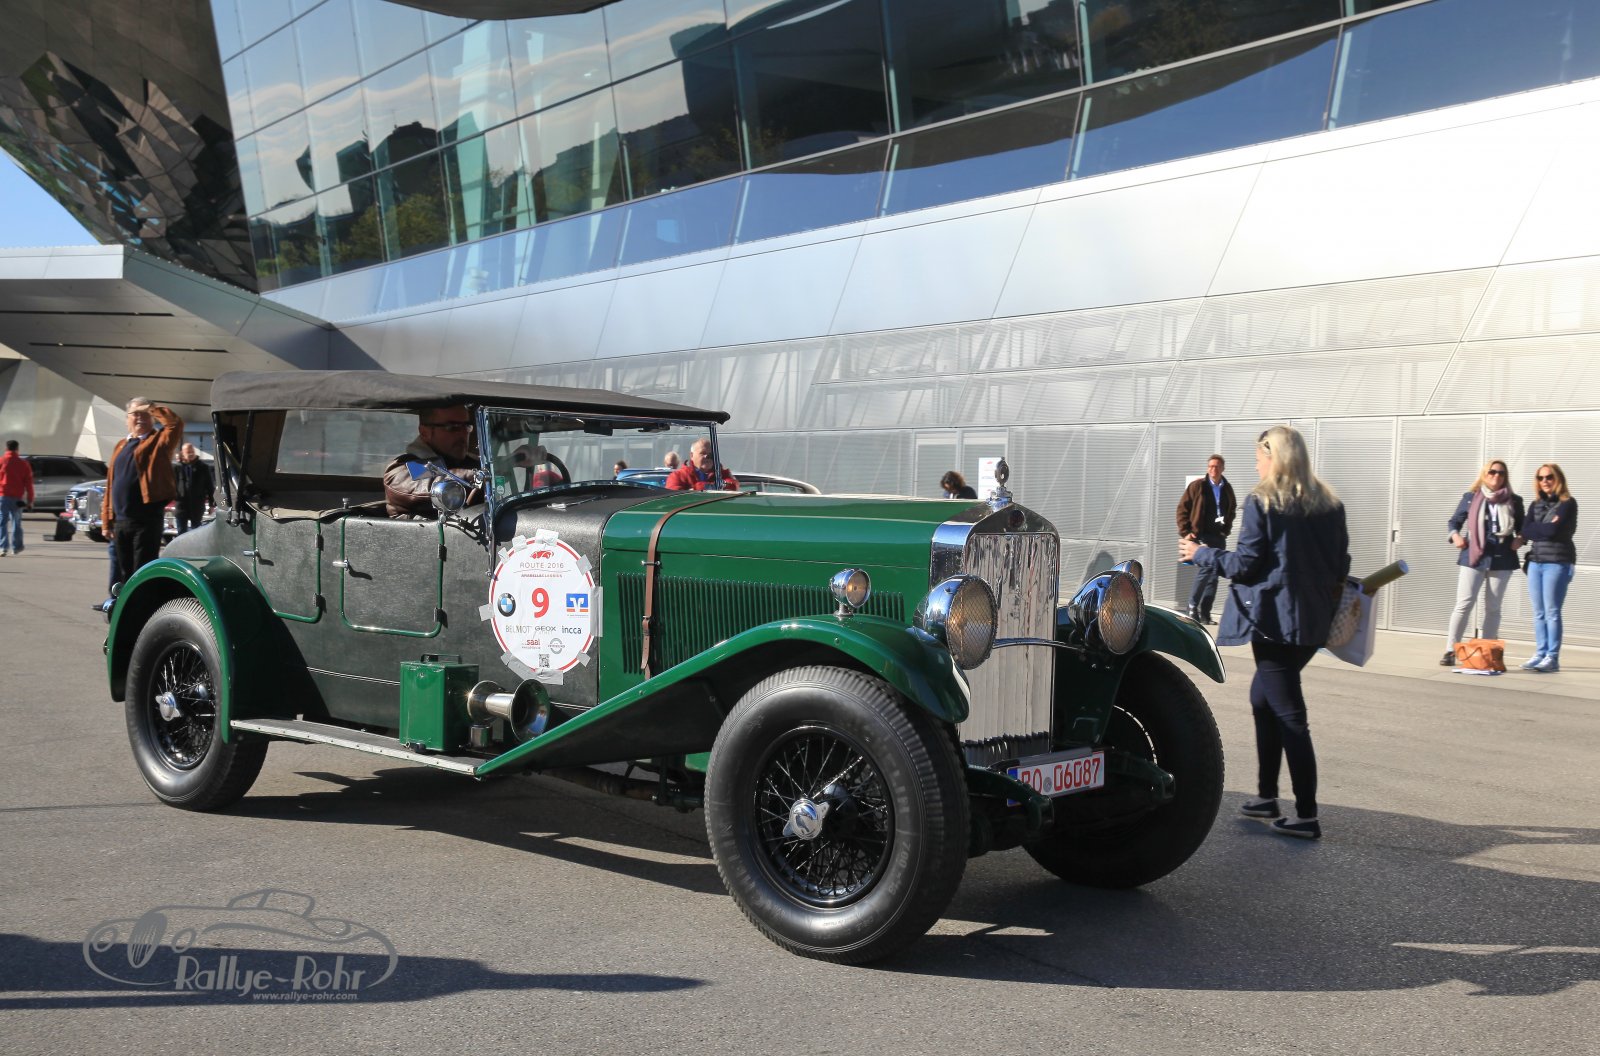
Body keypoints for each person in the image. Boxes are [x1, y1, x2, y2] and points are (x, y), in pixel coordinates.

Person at [1179, 426, 1348, 840]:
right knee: (1263, 699)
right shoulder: (1329, 504)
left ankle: (1305, 815)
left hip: (1273, 621)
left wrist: (1201, 554)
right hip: (1313, 622)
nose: (1256, 466)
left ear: (1275, 458)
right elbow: (1340, 563)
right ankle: (1267, 796)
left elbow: (1246, 565)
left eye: (1259, 458)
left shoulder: (1264, 501)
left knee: (1290, 716)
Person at [1441, 459, 1525, 667]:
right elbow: (1454, 521)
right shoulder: (1471, 498)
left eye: (1501, 473)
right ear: (1484, 474)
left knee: (1493, 608)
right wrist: (1455, 536)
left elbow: (1522, 528)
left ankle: (1487, 653)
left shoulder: (1514, 500)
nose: (1496, 476)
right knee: (1464, 604)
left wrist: (1520, 539)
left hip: (1502, 558)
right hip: (1473, 557)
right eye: (1492, 472)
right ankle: (1450, 650)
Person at [102, 398, 183, 581]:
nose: (140, 418)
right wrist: (106, 521)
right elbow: (111, 485)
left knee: (142, 572)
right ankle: (120, 598)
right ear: (127, 419)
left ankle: (143, 600)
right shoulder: (121, 445)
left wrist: (153, 408)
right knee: (122, 573)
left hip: (146, 519)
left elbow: (174, 425)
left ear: (152, 417)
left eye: (145, 414)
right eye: (135, 414)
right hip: (121, 521)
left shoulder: (159, 442)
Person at [1519, 463, 1577, 673]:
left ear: (1558, 478)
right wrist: (1540, 528)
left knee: (1552, 611)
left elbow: (1552, 531)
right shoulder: (1535, 505)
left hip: (1557, 562)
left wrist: (1538, 529)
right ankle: (1540, 653)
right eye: (1540, 478)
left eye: (1549, 477)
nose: (1545, 481)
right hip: (1535, 562)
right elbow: (1525, 530)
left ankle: (1552, 657)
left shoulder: (1567, 503)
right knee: (1538, 612)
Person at [384, 406, 481, 517]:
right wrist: (475, 477)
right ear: (425, 432)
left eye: (466, 426)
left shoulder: (473, 462)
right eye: (452, 427)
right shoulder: (405, 467)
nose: (463, 433)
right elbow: (423, 483)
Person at [1176, 454, 1237, 624]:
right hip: (1201, 535)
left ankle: (1205, 613)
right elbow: (1182, 509)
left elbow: (1232, 509)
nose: (1213, 469)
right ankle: (1192, 607)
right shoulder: (1198, 486)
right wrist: (1186, 532)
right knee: (1206, 570)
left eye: (1216, 466)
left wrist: (1226, 530)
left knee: (1214, 574)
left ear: (1222, 468)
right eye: (1210, 466)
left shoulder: (1227, 488)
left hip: (1218, 535)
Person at [0, 439, 34, 556]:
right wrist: (30, 500)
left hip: (3, 496)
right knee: (16, 522)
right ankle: (16, 547)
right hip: (17, 498)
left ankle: (3, 547)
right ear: (17, 449)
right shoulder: (23, 464)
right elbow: (29, 484)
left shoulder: (1, 461)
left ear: (6, 448)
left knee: (2, 522)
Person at [664, 438, 737, 492]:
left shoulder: (720, 472)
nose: (707, 456)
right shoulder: (678, 476)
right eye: (703, 453)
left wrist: (722, 484)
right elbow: (674, 498)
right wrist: (704, 487)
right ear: (692, 455)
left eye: (710, 454)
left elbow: (734, 484)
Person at [172, 443, 214, 535]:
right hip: (181, 505)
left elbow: (210, 486)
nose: (190, 454)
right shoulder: (177, 467)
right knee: (181, 532)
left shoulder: (203, 467)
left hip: (197, 505)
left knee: (196, 532)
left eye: (192, 451)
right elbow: (171, 484)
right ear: (182, 453)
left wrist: (212, 504)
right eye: (188, 452)